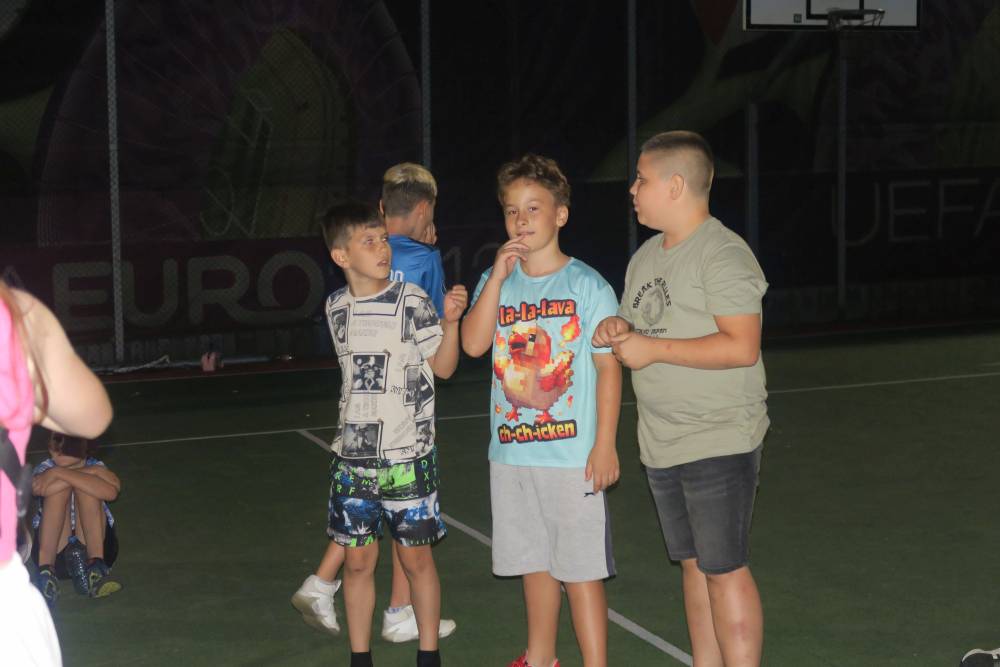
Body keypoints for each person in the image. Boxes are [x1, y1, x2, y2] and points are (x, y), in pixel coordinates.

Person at [592, 130, 769, 667]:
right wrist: (619, 329)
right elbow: (640, 327)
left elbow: (742, 346)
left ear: (674, 186)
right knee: (693, 566)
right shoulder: (646, 256)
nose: (632, 189)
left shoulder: (723, 253)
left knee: (724, 569)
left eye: (641, 179)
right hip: (662, 442)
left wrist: (651, 348)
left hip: (718, 437)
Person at [461, 154, 622, 667]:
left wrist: (604, 444)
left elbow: (608, 369)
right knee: (534, 564)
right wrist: (496, 279)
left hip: (571, 458)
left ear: (561, 215)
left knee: (581, 572)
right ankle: (541, 658)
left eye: (534, 208)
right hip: (512, 455)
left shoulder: (587, 286)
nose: (521, 220)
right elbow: (472, 344)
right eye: (512, 211)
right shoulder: (497, 280)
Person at [292, 163, 457, 643]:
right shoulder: (336, 307)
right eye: (370, 241)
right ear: (340, 254)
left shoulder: (412, 300)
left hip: (408, 455)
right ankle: (366, 644)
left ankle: (420, 640)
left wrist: (450, 321)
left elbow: (442, 366)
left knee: (416, 558)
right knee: (360, 561)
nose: (383, 248)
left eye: (383, 239)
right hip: (355, 457)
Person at [0, 280, 113, 666]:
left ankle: (91, 564)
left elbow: (109, 488)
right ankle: (51, 568)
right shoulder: (13, 313)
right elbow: (93, 416)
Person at [31, 433, 121, 606]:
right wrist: (80, 475)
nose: (56, 453)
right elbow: (39, 488)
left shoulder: (95, 466)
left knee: (88, 488)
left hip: (96, 548)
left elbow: (111, 492)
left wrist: (58, 473)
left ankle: (96, 569)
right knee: (59, 492)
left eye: (64, 449)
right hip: (56, 553)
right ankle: (45, 572)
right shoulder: (46, 468)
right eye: (53, 448)